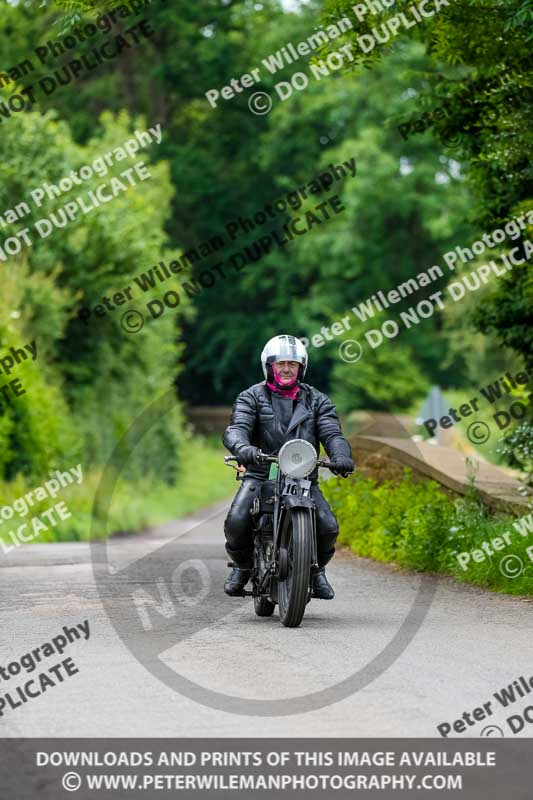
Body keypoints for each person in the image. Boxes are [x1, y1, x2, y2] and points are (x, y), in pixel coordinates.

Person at [222, 334, 354, 600]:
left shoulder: (317, 400)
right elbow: (236, 429)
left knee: (328, 527)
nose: (286, 369)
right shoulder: (251, 397)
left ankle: (315, 572)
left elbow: (332, 434)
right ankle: (243, 567)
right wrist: (245, 450)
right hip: (261, 472)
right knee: (236, 521)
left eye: (292, 364)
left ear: (301, 368)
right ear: (269, 367)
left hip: (303, 477)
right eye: (280, 363)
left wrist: (341, 455)